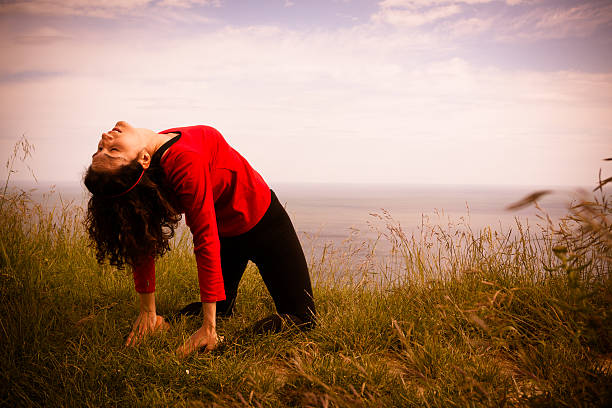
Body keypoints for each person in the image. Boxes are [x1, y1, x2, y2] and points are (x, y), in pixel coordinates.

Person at [84, 121, 316, 357]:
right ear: (142, 159)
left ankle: (203, 329)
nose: (104, 139)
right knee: (304, 319)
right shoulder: (183, 160)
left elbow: (144, 232)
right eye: (111, 151)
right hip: (257, 228)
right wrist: (151, 313)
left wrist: (150, 311)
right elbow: (188, 238)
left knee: (224, 308)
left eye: (101, 149)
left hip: (251, 226)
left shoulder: (157, 153)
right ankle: (222, 343)